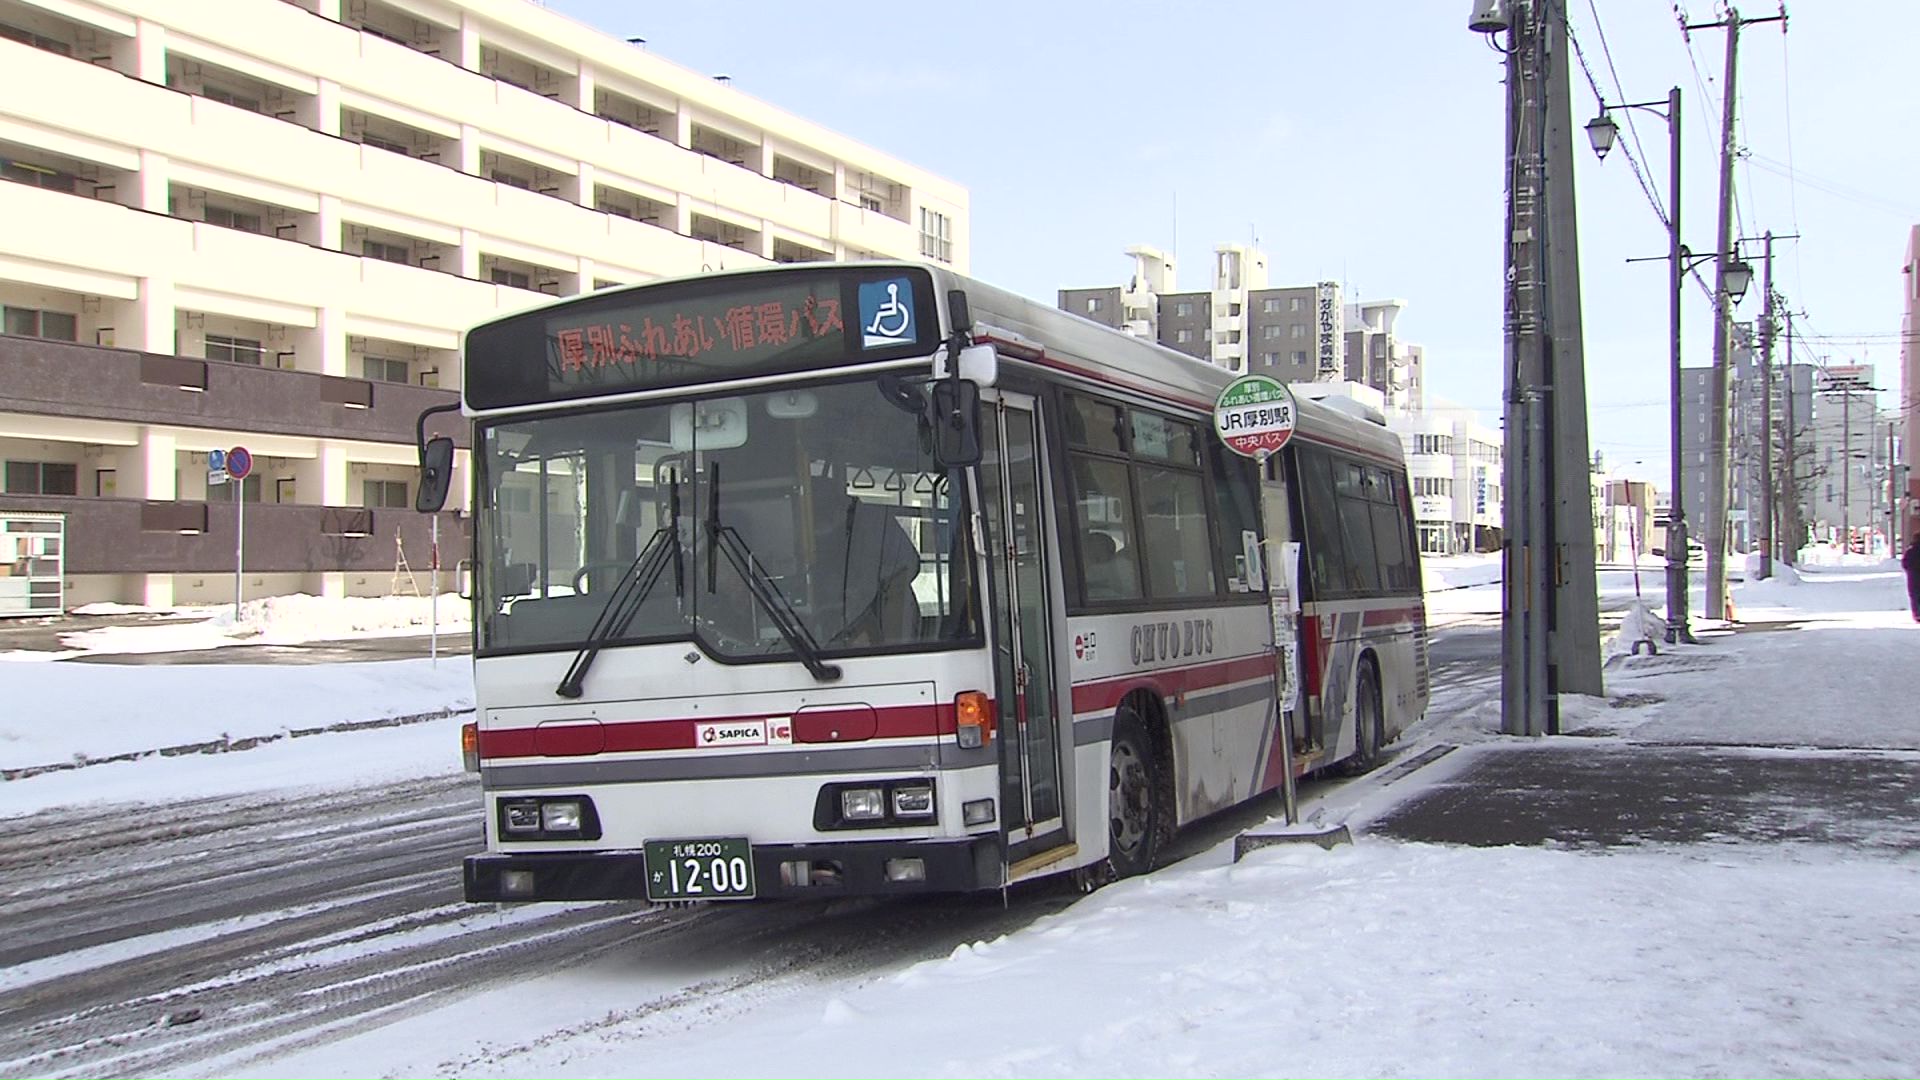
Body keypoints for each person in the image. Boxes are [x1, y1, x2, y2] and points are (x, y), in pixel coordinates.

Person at [1903, 533, 1920, 622]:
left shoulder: (1910, 550)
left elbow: (1905, 563)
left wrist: (1909, 570)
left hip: (1913, 575)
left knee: (1915, 595)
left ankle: (1917, 614)